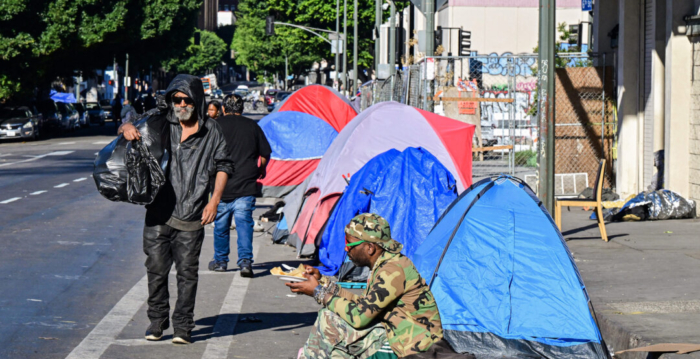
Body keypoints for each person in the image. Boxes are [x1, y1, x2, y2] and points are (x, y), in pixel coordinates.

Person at [118, 74, 233, 344]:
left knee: (187, 274)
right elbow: (128, 124)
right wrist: (126, 127)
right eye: (176, 99)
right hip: (159, 212)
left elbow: (224, 165)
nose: (180, 104)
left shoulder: (211, 130)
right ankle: (157, 322)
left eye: (186, 99)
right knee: (156, 270)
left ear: (197, 100)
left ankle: (183, 327)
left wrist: (214, 200)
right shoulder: (159, 121)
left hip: (192, 213)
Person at [287, 214, 463, 359]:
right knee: (335, 344)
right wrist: (323, 283)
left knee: (330, 320)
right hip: (396, 334)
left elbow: (359, 317)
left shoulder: (393, 270)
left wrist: (319, 293)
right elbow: (365, 305)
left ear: (370, 248)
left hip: (413, 347)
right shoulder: (385, 264)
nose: (346, 249)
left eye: (349, 244)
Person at [208, 94, 271, 277]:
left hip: (221, 187)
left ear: (224, 109)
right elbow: (265, 153)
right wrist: (261, 169)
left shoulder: (215, 126)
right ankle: (245, 263)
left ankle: (220, 261)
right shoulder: (252, 126)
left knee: (221, 226)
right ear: (242, 109)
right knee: (244, 225)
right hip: (246, 184)